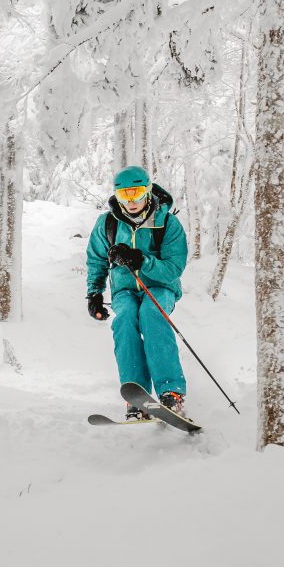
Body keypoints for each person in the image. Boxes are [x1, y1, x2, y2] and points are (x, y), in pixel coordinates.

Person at [86, 165, 189, 420]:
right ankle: (137, 396)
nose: (131, 201)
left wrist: (141, 260)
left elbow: (173, 269)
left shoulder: (167, 222)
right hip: (125, 289)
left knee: (152, 316)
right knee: (124, 321)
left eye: (136, 193)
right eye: (124, 195)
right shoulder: (108, 223)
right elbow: (96, 260)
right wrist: (95, 295)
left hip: (159, 287)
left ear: (148, 191)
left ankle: (171, 393)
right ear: (117, 196)